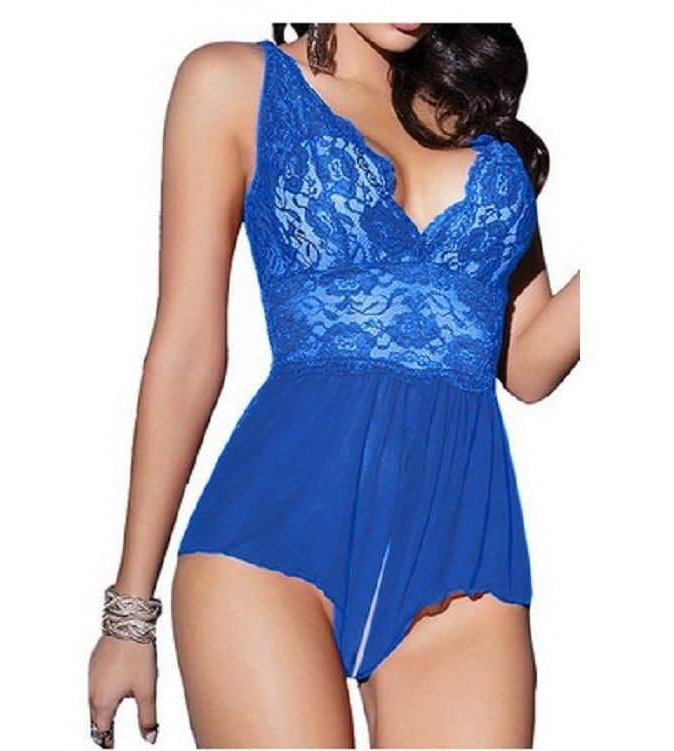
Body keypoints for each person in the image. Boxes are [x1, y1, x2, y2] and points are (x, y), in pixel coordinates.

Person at [88, 22, 580, 749]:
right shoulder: (232, 83)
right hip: (267, 549)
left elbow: (528, 364)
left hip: (465, 565)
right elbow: (188, 350)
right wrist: (130, 614)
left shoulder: (474, 112)